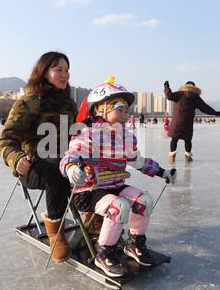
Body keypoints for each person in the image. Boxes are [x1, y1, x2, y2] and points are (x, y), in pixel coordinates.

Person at [60, 77, 177, 277]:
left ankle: (135, 244)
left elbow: (138, 161)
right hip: (89, 191)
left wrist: (162, 172)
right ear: (101, 109)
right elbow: (70, 155)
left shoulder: (125, 137)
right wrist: (71, 168)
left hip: (114, 186)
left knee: (144, 201)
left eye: (126, 110)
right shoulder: (88, 134)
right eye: (119, 109)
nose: (125, 114)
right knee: (118, 206)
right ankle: (104, 252)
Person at [0, 52, 78, 263]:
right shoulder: (29, 102)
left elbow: (78, 135)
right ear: (44, 73)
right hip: (34, 167)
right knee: (57, 168)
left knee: (91, 165)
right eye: (58, 70)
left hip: (64, 161)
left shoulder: (69, 105)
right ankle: (55, 229)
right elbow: (6, 139)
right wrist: (16, 158)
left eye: (67, 70)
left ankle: (95, 219)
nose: (65, 75)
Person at [164, 81, 220, 163]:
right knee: (187, 140)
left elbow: (169, 96)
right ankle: (188, 158)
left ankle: (172, 157)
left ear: (185, 86)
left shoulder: (180, 94)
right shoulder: (195, 97)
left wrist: (166, 87)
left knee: (174, 139)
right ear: (194, 87)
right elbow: (205, 108)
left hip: (177, 121)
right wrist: (215, 112)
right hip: (188, 122)